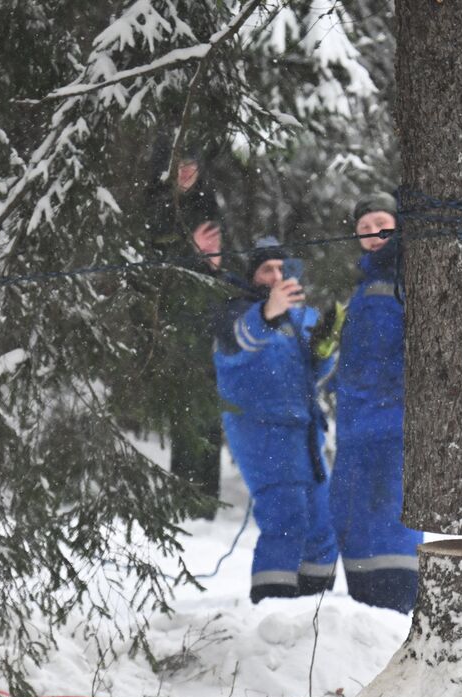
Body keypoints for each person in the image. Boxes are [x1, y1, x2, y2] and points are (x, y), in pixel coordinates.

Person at [212, 238, 338, 603]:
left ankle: (318, 610)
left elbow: (312, 371)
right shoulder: (236, 312)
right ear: (253, 277)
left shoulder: (299, 319)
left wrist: (325, 348)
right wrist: (268, 311)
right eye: (267, 269)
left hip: (304, 432)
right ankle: (272, 609)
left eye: (282, 268)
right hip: (260, 432)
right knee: (286, 518)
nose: (277, 275)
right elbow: (238, 345)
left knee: (320, 521)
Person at [327, 193, 424, 613]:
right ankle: (365, 608)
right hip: (356, 425)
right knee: (352, 514)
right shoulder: (365, 284)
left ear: (398, 225)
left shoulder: (407, 274)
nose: (373, 235)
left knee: (391, 513)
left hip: (390, 422)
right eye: (364, 228)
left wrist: (390, 390)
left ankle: (397, 607)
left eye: (381, 224)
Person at [139, 132, 236, 515]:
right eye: (180, 166)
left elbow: (216, 258)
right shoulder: (157, 204)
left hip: (206, 314)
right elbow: (154, 259)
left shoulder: (208, 201)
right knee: (183, 408)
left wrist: (212, 260)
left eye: (193, 165)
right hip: (173, 316)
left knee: (207, 407)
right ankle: (183, 497)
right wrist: (191, 249)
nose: (187, 172)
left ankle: (205, 499)